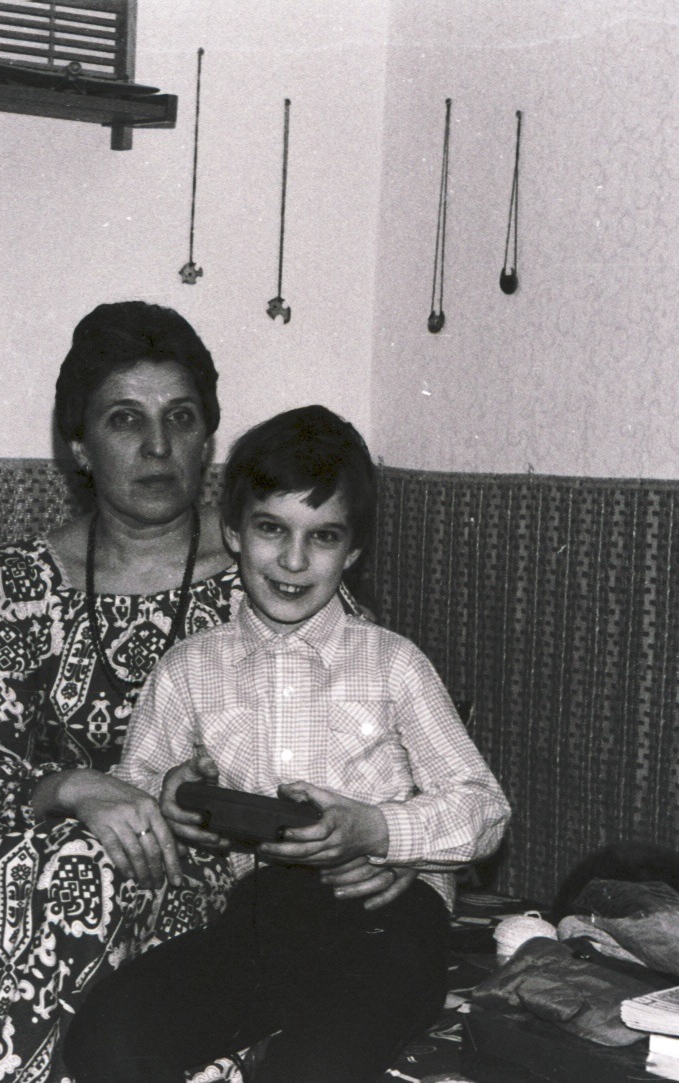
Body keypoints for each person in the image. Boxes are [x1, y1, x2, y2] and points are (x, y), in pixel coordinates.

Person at [0, 302, 412, 1081]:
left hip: (236, 891)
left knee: (46, 882)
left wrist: (382, 837)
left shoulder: (276, 572)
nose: (158, 446)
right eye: (125, 420)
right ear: (79, 445)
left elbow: (380, 751)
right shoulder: (26, 579)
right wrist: (80, 787)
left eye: (180, 418)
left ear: (207, 439)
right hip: (58, 857)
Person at [64, 405, 511, 1083]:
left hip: (386, 922)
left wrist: (376, 829)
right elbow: (136, 783)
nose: (295, 561)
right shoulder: (188, 668)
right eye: (273, 529)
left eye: (323, 536)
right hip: (259, 923)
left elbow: (485, 808)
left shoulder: (393, 664)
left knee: (310, 1068)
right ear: (234, 532)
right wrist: (172, 796)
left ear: (353, 551)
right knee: (109, 1033)